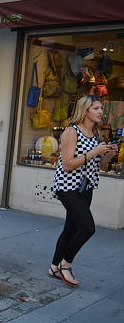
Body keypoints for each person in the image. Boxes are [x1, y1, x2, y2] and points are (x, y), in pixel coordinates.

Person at [48, 95, 118, 287]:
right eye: (96, 108)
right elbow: (68, 164)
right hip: (68, 187)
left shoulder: (95, 135)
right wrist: (95, 152)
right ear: (85, 110)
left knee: (71, 228)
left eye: (101, 108)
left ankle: (54, 267)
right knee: (87, 228)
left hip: (86, 187)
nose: (101, 112)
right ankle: (65, 265)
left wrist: (107, 155)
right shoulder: (71, 132)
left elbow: (98, 165)